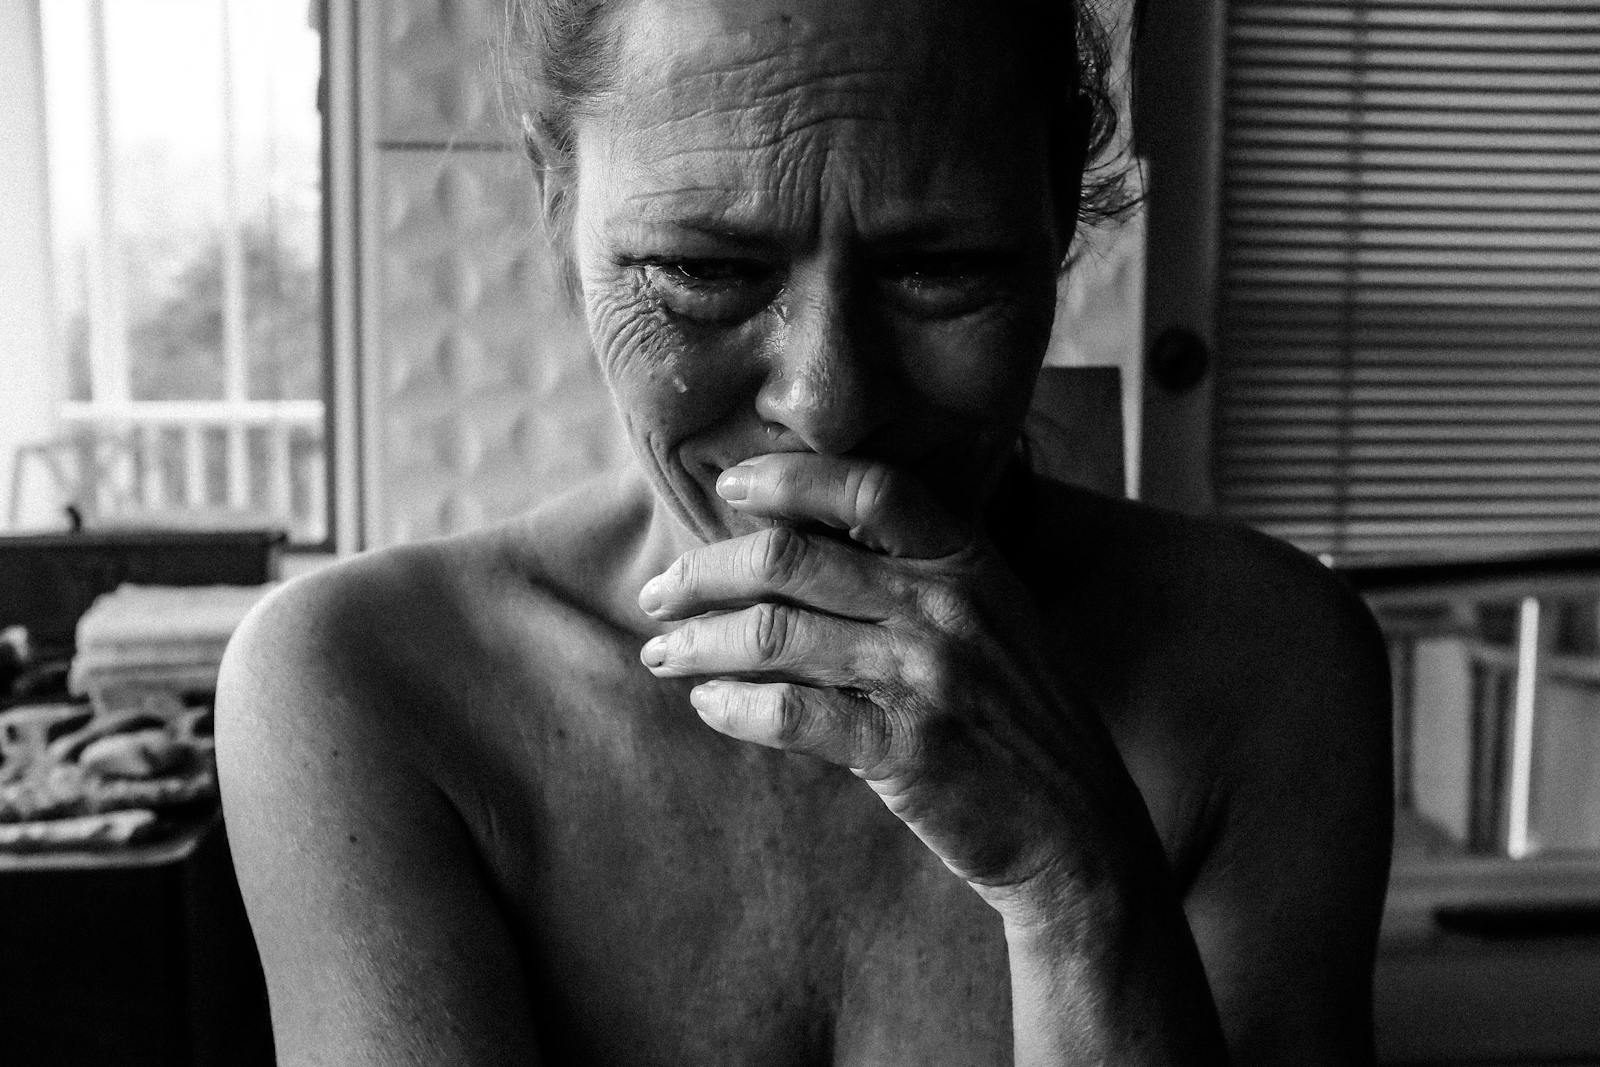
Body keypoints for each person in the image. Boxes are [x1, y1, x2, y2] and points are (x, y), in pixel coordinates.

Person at [216, 0, 1394, 1061]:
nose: (827, 401)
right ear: (557, 199)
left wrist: (1077, 891)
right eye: (699, 269)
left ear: (1058, 220)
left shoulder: (1269, 668)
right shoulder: (365, 684)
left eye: (941, 269)